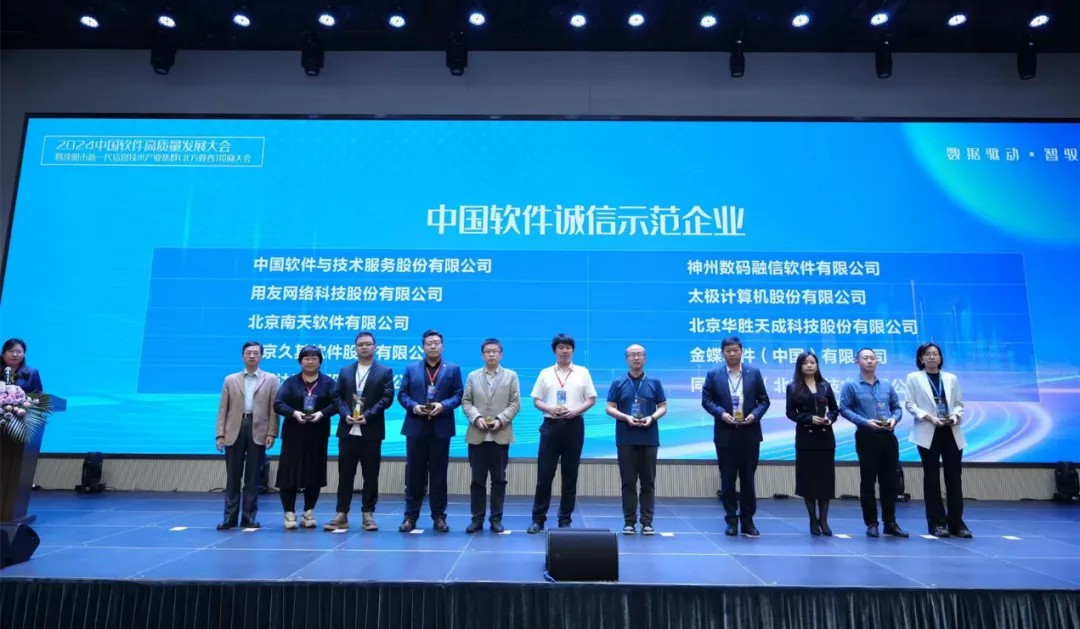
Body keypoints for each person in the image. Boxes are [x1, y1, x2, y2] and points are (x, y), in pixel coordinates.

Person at [527, 333, 597, 534]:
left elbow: (591, 399)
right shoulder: (545, 373)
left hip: (574, 426)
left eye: (568, 347)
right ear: (554, 351)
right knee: (544, 475)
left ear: (572, 350)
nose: (564, 351)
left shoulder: (582, 372)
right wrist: (549, 408)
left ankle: (565, 519)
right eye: (560, 347)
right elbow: (536, 400)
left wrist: (575, 411)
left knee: (570, 475)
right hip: (551, 426)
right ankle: (538, 519)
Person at [325, 332, 395, 532]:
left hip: (371, 431)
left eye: (368, 344)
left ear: (375, 347)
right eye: (360, 344)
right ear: (355, 348)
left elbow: (387, 398)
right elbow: (337, 397)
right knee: (345, 475)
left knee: (371, 475)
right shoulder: (345, 370)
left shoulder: (384, 371)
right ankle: (341, 514)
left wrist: (368, 415)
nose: (364, 347)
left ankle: (368, 514)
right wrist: (345, 414)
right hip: (347, 430)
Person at [701, 336, 770, 537]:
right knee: (728, 479)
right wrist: (722, 414)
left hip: (750, 433)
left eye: (735, 350)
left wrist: (754, 415)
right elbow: (706, 400)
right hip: (725, 433)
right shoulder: (714, 374)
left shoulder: (753, 372)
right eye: (728, 351)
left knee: (748, 479)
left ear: (741, 351)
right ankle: (731, 520)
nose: (732, 354)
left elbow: (764, 401)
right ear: (722, 353)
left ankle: (748, 521)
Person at [398, 329, 463, 533]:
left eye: (436, 343)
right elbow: (402, 394)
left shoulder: (453, 368)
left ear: (442, 346)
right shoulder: (411, 368)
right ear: (423, 346)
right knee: (414, 475)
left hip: (441, 427)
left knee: (439, 475)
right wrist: (414, 406)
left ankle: (439, 517)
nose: (433, 346)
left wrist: (443, 405)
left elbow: (458, 395)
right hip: (416, 427)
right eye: (429, 343)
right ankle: (410, 517)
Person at [839, 348, 909, 538]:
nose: (869, 361)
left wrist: (894, 419)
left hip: (888, 436)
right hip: (867, 437)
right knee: (868, 482)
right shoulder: (851, 385)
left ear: (877, 361)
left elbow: (897, 408)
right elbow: (843, 408)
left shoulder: (887, 385)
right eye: (865, 358)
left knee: (890, 482)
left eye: (872, 358)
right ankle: (871, 523)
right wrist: (864, 422)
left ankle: (890, 522)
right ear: (857, 362)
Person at [904, 342, 972, 539]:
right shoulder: (914, 377)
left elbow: (959, 404)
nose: (932, 357)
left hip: (951, 431)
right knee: (932, 478)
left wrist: (955, 416)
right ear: (921, 358)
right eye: (927, 354)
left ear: (940, 358)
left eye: (935, 354)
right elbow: (910, 404)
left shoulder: (951, 378)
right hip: (928, 430)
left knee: (954, 478)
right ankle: (937, 523)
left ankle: (957, 523)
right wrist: (929, 417)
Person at [215, 341, 279, 530]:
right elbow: (223, 409)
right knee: (232, 477)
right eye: (248, 353)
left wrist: (272, 433)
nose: (252, 356)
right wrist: (220, 434)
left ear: (261, 356)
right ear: (242, 356)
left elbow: (273, 409)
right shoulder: (230, 379)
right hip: (234, 429)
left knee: (253, 478)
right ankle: (229, 518)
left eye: (256, 353)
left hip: (258, 429)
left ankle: (249, 517)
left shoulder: (271, 379)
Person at [273, 345, 338, 530]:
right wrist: (294, 413)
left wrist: (322, 414)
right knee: (289, 474)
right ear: (300, 361)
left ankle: (309, 512)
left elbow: (337, 404)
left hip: (318, 434)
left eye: (314, 358)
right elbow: (278, 403)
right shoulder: (290, 382)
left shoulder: (328, 382)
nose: (310, 362)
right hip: (294, 434)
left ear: (320, 361)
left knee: (314, 474)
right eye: (306, 358)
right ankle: (289, 512)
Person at [460, 338, 521, 534]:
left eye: (495, 351)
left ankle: (496, 519)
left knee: (499, 480)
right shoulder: (473, 376)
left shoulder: (511, 376)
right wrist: (476, 418)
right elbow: (466, 401)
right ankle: (477, 519)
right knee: (477, 481)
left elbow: (515, 403)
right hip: (477, 435)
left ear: (501, 354)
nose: (491, 354)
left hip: (500, 435)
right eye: (487, 351)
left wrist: (501, 420)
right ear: (482, 355)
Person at [605, 343, 667, 536]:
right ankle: (629, 522)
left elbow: (663, 407)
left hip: (649, 438)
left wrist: (652, 418)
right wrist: (625, 417)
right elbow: (609, 407)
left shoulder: (654, 382)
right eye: (632, 355)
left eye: (640, 354)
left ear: (645, 358)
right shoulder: (618, 382)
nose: (636, 358)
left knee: (648, 482)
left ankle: (647, 522)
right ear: (627, 359)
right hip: (626, 438)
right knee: (628, 482)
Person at [784, 352, 839, 536]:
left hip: (825, 438)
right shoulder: (793, 387)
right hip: (806, 439)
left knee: (825, 481)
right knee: (808, 481)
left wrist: (829, 419)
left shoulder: (825, 385)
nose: (809, 365)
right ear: (799, 366)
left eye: (813, 362)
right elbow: (790, 413)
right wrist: (809, 418)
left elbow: (834, 409)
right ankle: (813, 520)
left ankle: (824, 520)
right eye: (806, 363)